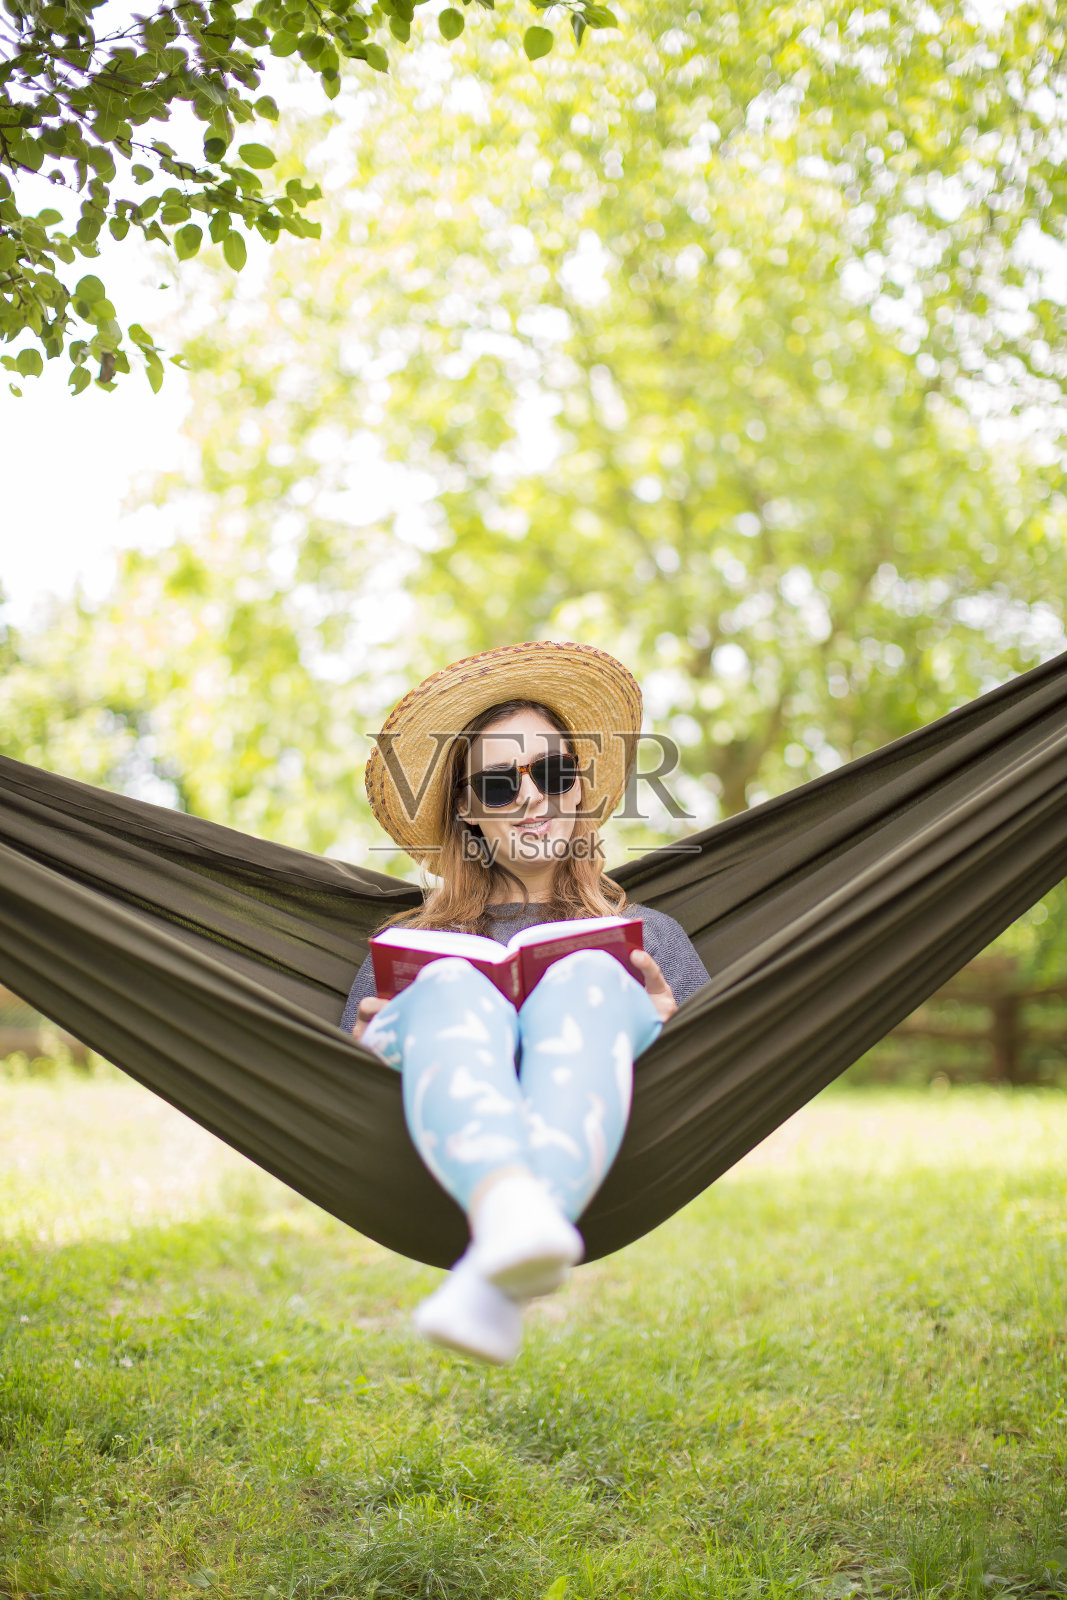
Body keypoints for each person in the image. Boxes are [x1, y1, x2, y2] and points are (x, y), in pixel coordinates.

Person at [342, 641, 710, 1363]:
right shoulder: (407, 948)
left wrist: (672, 1031)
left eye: (551, 772)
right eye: (501, 787)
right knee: (449, 979)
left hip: (612, 1129)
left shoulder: (648, 943)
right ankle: (512, 1233)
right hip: (425, 1138)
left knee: (588, 975)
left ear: (578, 790)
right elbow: (339, 1099)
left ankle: (500, 1250)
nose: (535, 798)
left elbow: (718, 1076)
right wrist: (361, 1051)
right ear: (469, 814)